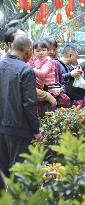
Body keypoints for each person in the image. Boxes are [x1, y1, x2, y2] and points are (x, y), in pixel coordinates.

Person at [0, 35, 40, 177]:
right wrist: (36, 129)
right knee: (19, 173)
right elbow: (29, 104)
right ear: (29, 50)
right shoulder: (25, 70)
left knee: (2, 173)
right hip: (19, 129)